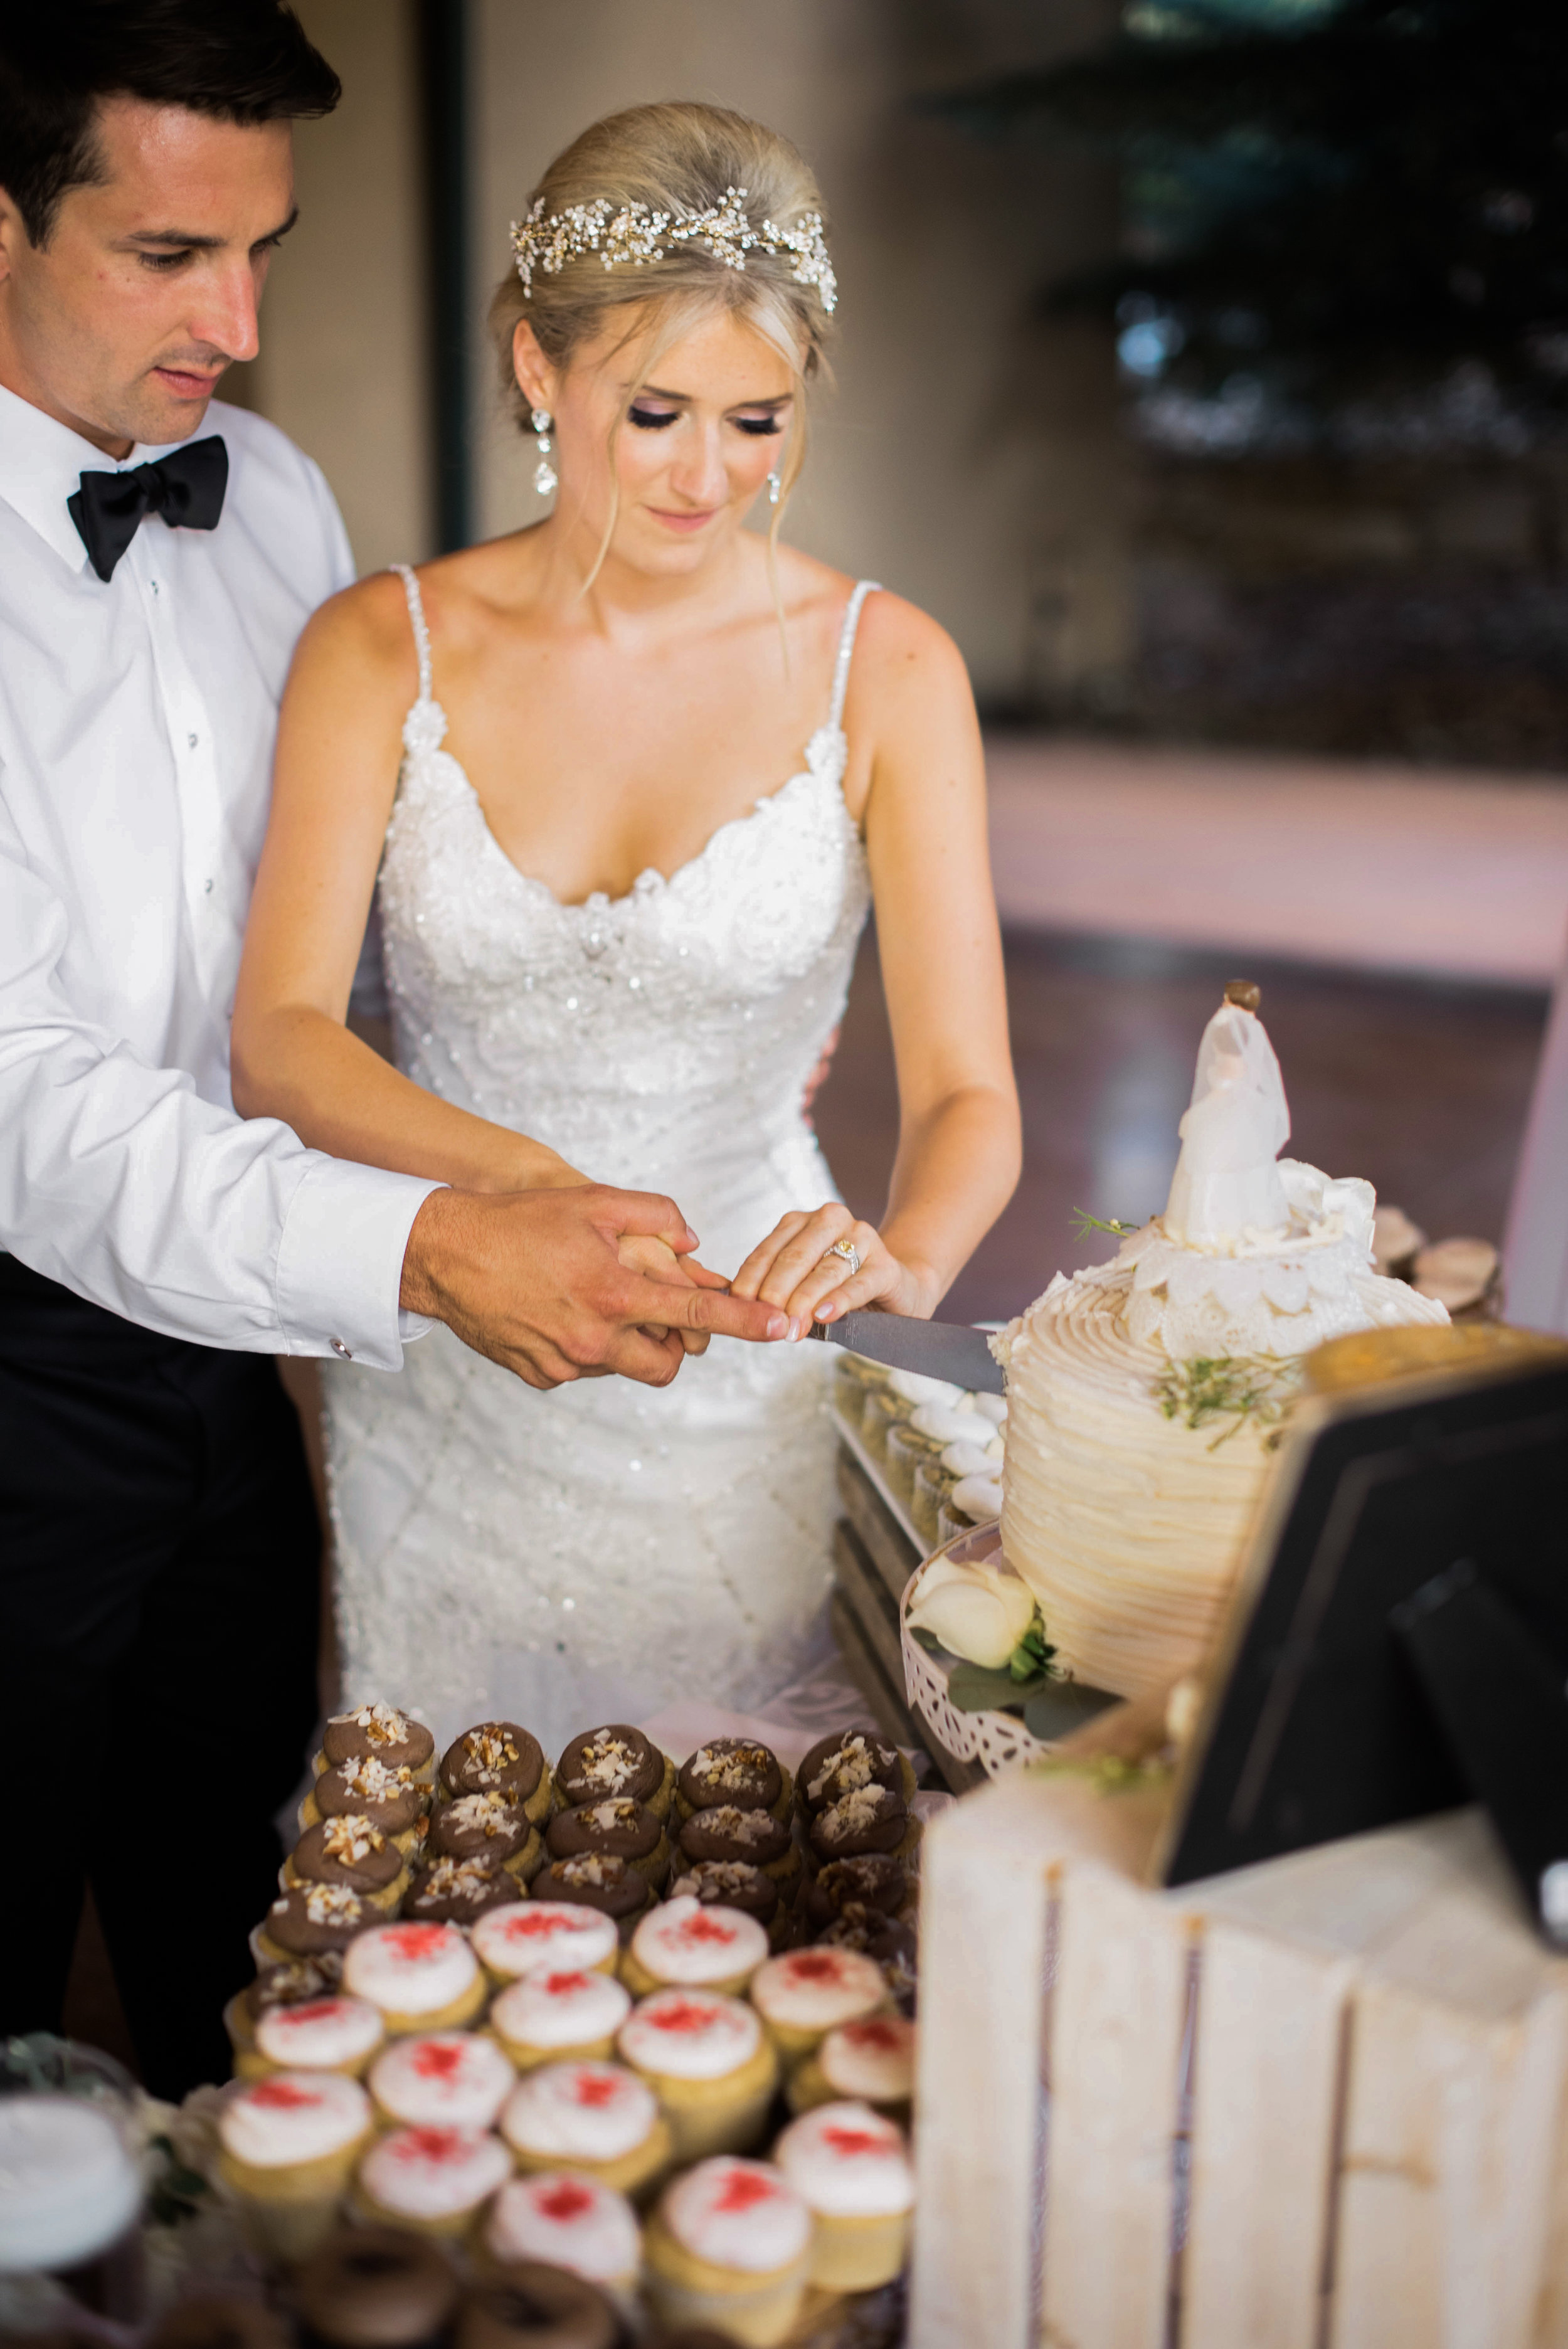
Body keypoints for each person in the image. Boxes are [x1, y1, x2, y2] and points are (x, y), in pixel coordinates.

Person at [0, 13, 783, 2097]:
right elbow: (31, 1101)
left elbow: (339, 951)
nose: (239, 328)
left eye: (266, 250)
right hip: (18, 1349)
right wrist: (431, 1244)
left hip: (241, 1350)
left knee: (253, 1930)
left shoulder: (271, 502)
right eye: (169, 255)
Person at [233, 102, 1022, 1754]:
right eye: (655, 411)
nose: (710, 473)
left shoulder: (888, 669)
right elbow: (283, 1040)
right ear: (537, 365)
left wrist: (905, 1256)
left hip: (747, 1365)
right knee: (452, 1865)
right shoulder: (379, 650)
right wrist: (538, 1194)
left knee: (747, 1882)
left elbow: (966, 1092)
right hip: (457, 1362)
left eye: (758, 419)